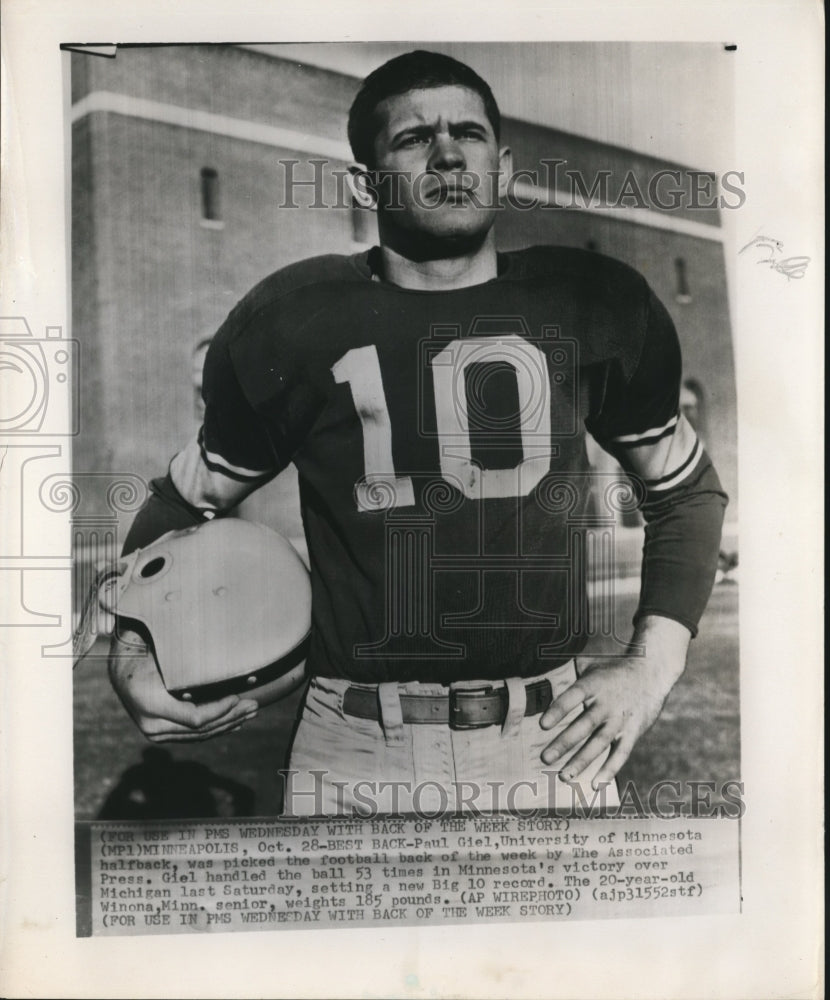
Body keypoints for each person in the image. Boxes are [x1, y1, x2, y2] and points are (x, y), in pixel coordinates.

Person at [108, 50, 727, 816]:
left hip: (549, 738)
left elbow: (684, 491)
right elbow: (182, 498)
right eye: (412, 139)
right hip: (353, 744)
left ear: (500, 167)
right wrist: (133, 651)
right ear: (367, 183)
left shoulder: (593, 301)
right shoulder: (293, 319)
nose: (446, 153)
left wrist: (651, 667)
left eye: (467, 133)